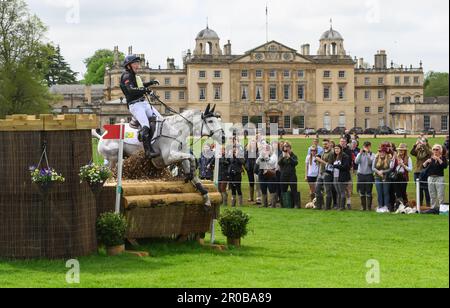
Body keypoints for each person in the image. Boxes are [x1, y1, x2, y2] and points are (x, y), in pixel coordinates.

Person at [120, 55, 161, 158]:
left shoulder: (135, 76)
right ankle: (148, 151)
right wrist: (145, 90)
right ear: (129, 65)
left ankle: (156, 143)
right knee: (146, 125)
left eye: (138, 63)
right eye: (135, 63)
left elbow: (140, 86)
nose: (138, 65)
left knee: (160, 119)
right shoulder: (126, 76)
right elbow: (130, 90)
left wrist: (150, 83)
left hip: (143, 103)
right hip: (135, 105)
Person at [424, 145, 448, 209]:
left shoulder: (443, 158)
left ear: (440, 150)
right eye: (434, 149)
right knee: (432, 194)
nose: (435, 151)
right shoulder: (431, 158)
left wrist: (438, 159)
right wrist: (426, 162)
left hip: (439, 178)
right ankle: (433, 208)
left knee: (440, 194)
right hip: (430, 178)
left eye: (437, 149)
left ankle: (442, 209)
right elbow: (424, 166)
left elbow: (445, 166)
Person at [314, 139, 336, 210]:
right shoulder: (323, 151)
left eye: (326, 144)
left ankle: (327, 207)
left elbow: (329, 165)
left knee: (327, 191)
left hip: (327, 174)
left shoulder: (331, 153)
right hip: (320, 173)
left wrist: (320, 160)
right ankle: (319, 206)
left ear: (329, 144)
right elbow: (318, 161)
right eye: (323, 144)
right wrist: (317, 160)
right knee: (317, 189)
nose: (324, 145)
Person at [410, 138, 432, 207]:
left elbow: (429, 153)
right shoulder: (418, 151)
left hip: (425, 172)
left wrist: (424, 145)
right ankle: (420, 205)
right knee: (419, 189)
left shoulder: (429, 150)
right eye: (421, 141)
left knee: (426, 189)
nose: (421, 143)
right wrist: (415, 145)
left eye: (423, 141)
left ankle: (428, 205)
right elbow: (412, 153)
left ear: (426, 142)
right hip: (417, 171)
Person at [355, 141, 376, 211]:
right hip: (361, 175)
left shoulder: (373, 155)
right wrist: (360, 154)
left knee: (369, 191)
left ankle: (369, 207)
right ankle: (363, 207)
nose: (366, 148)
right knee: (362, 191)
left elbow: (370, 163)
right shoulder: (359, 154)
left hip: (369, 175)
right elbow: (356, 162)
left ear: (370, 146)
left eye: (368, 146)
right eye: (365, 146)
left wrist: (367, 154)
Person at [373, 145, 394, 211]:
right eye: (380, 152)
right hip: (377, 177)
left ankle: (386, 206)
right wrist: (378, 172)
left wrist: (383, 171)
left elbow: (391, 168)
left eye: (383, 152)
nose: (381, 153)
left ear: (385, 153)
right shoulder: (376, 158)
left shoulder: (389, 159)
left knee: (386, 192)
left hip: (386, 178)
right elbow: (373, 167)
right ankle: (380, 206)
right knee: (379, 192)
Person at [256, 143, 278, 208]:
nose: (266, 150)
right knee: (263, 189)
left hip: (270, 174)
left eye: (267, 149)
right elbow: (257, 162)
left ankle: (273, 204)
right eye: (265, 149)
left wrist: (266, 157)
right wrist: (261, 156)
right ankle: (264, 204)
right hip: (262, 174)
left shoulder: (273, 155)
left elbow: (271, 162)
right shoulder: (262, 155)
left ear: (270, 149)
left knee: (271, 189)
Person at [278, 142, 300, 208]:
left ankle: (296, 204)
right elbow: (279, 163)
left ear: (290, 148)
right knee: (283, 190)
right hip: (283, 176)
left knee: (294, 190)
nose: (286, 148)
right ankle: (283, 204)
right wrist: (283, 158)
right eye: (285, 146)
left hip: (292, 176)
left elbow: (295, 163)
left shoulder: (293, 155)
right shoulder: (282, 155)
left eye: (287, 146)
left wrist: (289, 157)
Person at [332, 145, 352, 210]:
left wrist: (336, 166)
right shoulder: (335, 156)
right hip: (335, 176)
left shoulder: (345, 156)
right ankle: (338, 206)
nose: (336, 150)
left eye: (337, 149)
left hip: (342, 177)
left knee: (342, 192)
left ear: (341, 149)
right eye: (335, 149)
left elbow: (346, 167)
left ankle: (342, 206)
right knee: (338, 192)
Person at [340, 138, 354, 210]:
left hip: (347, 171)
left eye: (344, 141)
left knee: (348, 188)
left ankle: (348, 203)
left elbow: (350, 161)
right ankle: (340, 204)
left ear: (346, 142)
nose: (342, 143)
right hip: (339, 172)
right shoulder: (337, 150)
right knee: (340, 189)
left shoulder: (348, 151)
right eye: (341, 141)